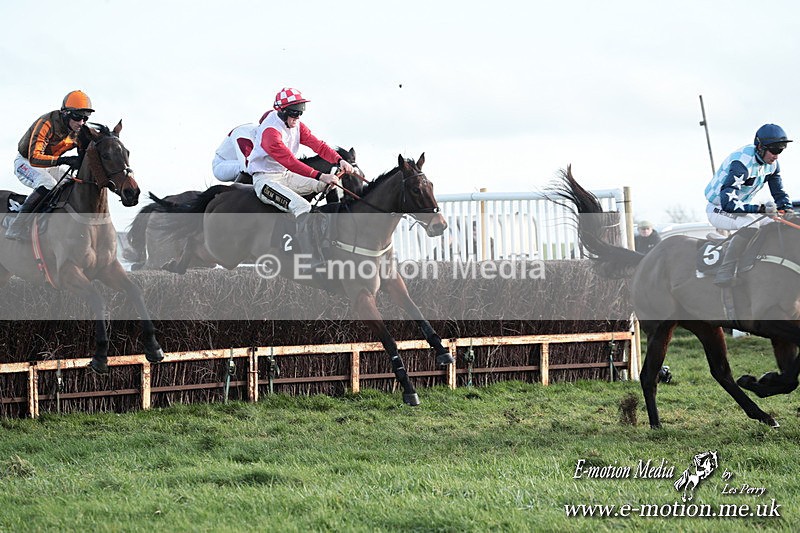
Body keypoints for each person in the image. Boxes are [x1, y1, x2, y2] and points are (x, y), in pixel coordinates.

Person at [248, 88, 355, 268]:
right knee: (303, 207)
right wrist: (321, 175)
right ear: (282, 112)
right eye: (294, 112)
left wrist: (340, 160)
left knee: (328, 187)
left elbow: (318, 146)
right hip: (266, 181)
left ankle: (333, 239)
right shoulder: (271, 133)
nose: (298, 116)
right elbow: (291, 161)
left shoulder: (297, 125)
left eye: (301, 111)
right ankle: (309, 258)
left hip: (286, 176)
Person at [704, 123, 794, 286]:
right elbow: (728, 204)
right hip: (718, 208)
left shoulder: (772, 165)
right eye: (774, 150)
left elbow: (779, 193)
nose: (777, 156)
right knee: (750, 225)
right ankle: (726, 270)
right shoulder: (741, 165)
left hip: (738, 207)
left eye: (781, 150)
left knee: (774, 223)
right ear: (760, 147)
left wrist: (786, 208)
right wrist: (760, 209)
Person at [6, 90, 94, 240]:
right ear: (66, 114)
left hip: (49, 163)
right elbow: (34, 158)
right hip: (26, 161)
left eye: (85, 118)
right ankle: (16, 226)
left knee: (69, 182)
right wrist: (63, 160)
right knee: (48, 183)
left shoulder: (79, 130)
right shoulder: (46, 123)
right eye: (78, 117)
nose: (82, 123)